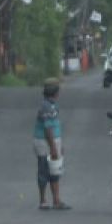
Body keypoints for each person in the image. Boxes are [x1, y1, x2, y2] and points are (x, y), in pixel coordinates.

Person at [33, 78, 69, 210]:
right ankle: (43, 200)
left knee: (55, 170)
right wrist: (53, 147)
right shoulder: (46, 107)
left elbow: (54, 127)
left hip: (53, 140)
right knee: (44, 169)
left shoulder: (52, 105)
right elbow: (48, 129)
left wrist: (59, 144)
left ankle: (56, 200)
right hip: (44, 141)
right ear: (55, 92)